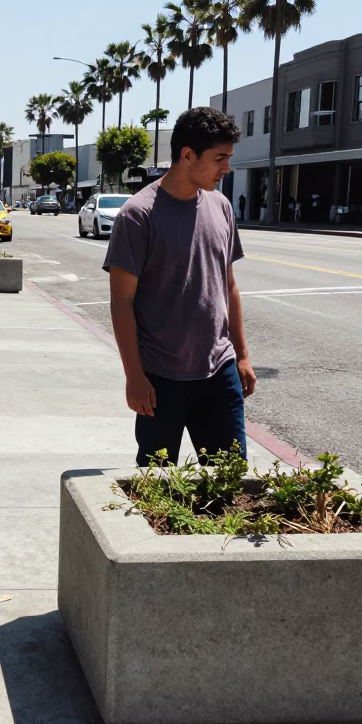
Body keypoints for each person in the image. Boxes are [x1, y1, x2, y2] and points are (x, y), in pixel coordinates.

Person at [104, 107, 256, 466]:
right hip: (160, 378)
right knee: (157, 487)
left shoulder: (220, 207)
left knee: (229, 481)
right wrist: (134, 376)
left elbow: (228, 286)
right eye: (220, 158)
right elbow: (121, 302)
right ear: (187, 155)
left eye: (229, 158)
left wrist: (243, 355)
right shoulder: (137, 215)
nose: (227, 168)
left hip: (219, 370)